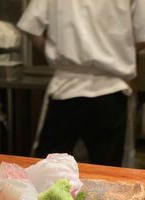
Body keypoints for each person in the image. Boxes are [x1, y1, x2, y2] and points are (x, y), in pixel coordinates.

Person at [17, 0, 145, 167]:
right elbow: (142, 36)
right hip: (110, 91)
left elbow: (30, 26)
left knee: (48, 171)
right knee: (107, 172)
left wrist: (51, 54)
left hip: (66, 88)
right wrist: (119, 55)